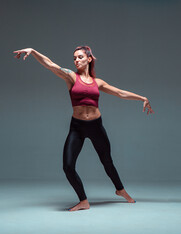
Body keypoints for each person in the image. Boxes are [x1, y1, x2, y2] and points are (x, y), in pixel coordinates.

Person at [13, 46, 154, 211]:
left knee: (107, 162)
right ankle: (83, 201)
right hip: (77, 127)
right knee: (67, 166)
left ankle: (120, 190)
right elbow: (50, 65)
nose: (76, 60)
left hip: (96, 126)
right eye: (74, 58)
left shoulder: (97, 82)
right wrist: (34, 51)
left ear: (89, 59)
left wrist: (142, 98)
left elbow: (119, 93)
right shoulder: (71, 77)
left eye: (80, 57)